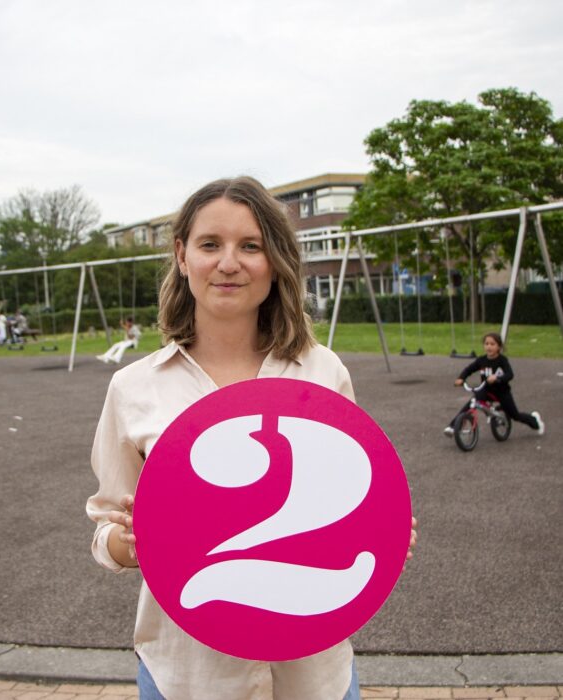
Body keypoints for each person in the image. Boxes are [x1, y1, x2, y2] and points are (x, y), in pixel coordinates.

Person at [86, 176, 417, 700]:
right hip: (190, 678)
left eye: (251, 246)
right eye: (210, 244)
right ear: (181, 255)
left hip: (315, 675)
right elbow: (106, 523)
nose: (229, 263)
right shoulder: (134, 388)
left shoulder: (321, 371)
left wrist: (383, 528)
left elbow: (349, 496)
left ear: (274, 260)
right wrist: (125, 545)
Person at [444, 331, 544, 436]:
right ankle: (453, 426)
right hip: (486, 390)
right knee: (471, 403)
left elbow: (510, 374)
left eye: (492, 344)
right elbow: (469, 369)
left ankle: (535, 421)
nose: (489, 347)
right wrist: (461, 378)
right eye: (486, 344)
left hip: (502, 392)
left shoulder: (502, 360)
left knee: (515, 415)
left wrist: (497, 378)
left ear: (499, 347)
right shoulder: (481, 360)